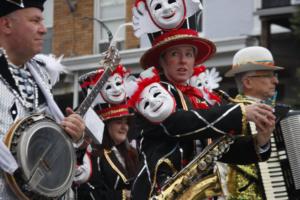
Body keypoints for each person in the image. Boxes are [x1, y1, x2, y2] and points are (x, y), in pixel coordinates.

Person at [130, 0, 276, 199]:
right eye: (175, 54)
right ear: (162, 61)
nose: (183, 60)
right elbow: (176, 123)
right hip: (159, 191)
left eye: (189, 54)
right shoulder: (153, 91)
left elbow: (222, 150)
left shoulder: (201, 99)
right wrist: (240, 112)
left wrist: (261, 141)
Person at [0, 1, 85, 199]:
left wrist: (75, 133)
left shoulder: (41, 73)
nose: (43, 29)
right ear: (6, 25)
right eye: (34, 20)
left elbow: (47, 144)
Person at [223, 46, 284, 200]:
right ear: (248, 82)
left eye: (275, 75)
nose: (276, 81)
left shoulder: (273, 111)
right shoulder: (233, 114)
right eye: (269, 75)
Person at [74, 103, 139, 200]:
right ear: (105, 125)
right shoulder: (94, 156)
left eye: (126, 122)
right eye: (118, 122)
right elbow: (88, 194)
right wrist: (123, 195)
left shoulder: (133, 152)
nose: (124, 127)